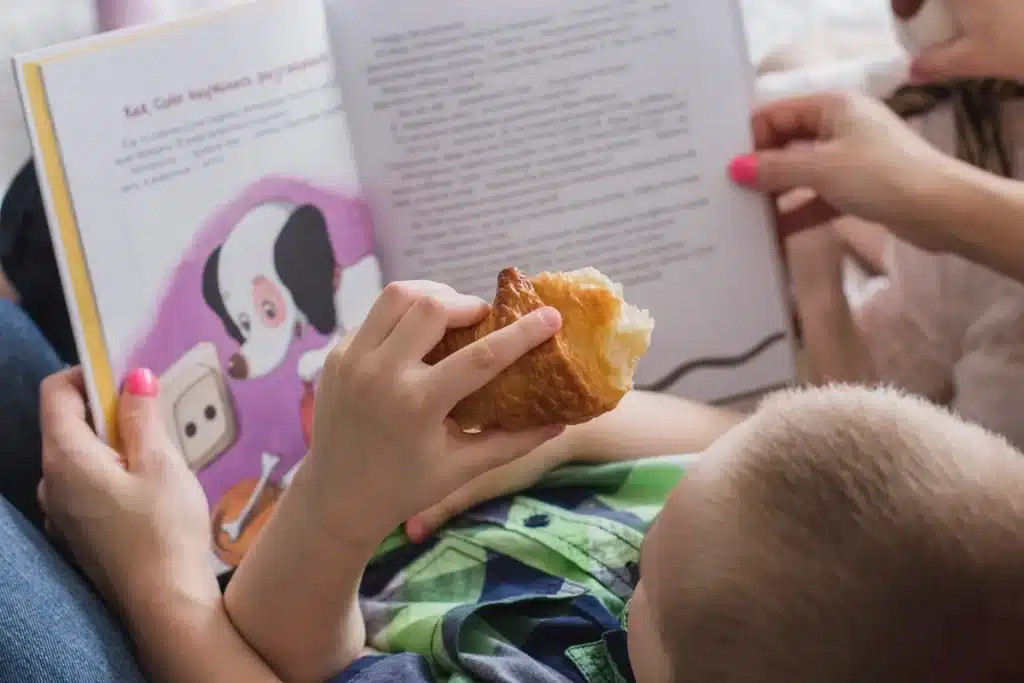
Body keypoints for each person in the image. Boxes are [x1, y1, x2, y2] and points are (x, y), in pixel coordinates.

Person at [27, 279, 1024, 683]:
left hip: (235, 604)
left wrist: (156, 573)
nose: (647, 525)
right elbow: (727, 437)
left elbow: (296, 667)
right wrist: (558, 435)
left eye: (647, 575)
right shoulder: (761, 533)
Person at [752, 15, 1024, 448]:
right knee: (786, 62)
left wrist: (819, 291)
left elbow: (875, 471)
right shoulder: (964, 85)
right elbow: (925, 325)